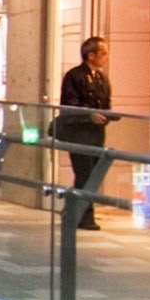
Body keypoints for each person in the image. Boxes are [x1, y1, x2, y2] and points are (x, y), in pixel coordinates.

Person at [57, 36, 113, 231]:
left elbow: (106, 104)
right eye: (103, 53)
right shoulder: (75, 76)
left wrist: (106, 116)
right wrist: (89, 116)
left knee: (93, 174)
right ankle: (83, 216)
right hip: (79, 134)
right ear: (91, 55)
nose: (106, 57)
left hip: (96, 135)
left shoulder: (101, 78)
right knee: (84, 174)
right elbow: (69, 105)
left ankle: (74, 211)